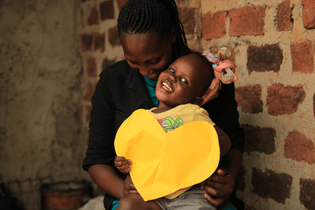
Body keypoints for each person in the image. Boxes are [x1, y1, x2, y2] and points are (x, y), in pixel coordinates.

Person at [82, 0, 245, 209]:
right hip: (140, 196)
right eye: (133, 61)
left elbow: (232, 141)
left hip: (196, 194)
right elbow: (97, 159)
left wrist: (225, 181)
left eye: (154, 61)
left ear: (172, 35)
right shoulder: (111, 83)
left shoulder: (207, 78)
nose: (143, 71)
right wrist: (125, 189)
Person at [113, 52, 234, 210]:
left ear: (196, 100)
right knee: (127, 204)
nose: (172, 78)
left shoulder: (192, 113)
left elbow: (223, 141)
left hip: (189, 194)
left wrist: (204, 162)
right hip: (153, 194)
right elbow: (134, 154)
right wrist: (122, 163)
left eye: (184, 81)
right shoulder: (141, 118)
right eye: (171, 70)